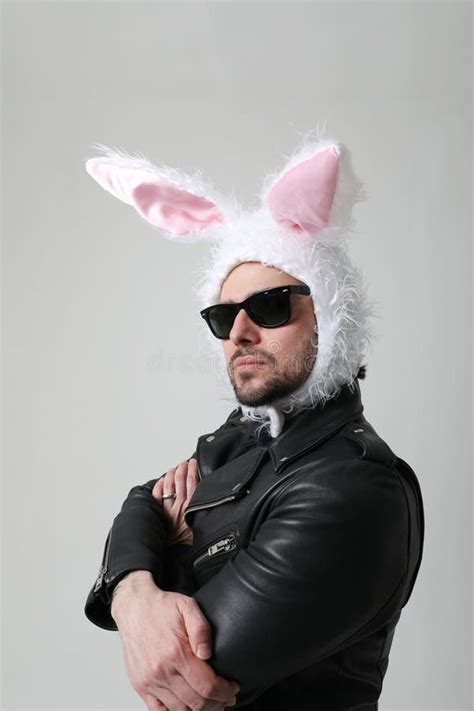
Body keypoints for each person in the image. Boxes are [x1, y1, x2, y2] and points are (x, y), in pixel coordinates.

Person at [83, 130, 425, 711]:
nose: (240, 332)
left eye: (270, 306)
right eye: (222, 315)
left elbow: (186, 670)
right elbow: (142, 499)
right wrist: (136, 593)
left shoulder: (352, 484)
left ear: (330, 317)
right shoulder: (242, 440)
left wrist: (168, 546)